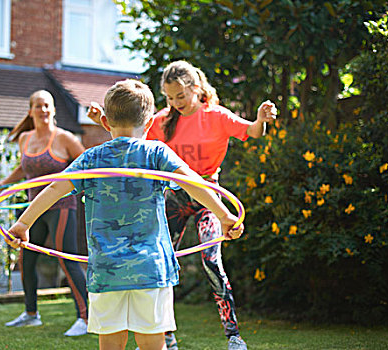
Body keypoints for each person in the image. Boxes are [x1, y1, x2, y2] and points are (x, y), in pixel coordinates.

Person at [5, 79, 244, 350]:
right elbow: (194, 183)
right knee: (152, 342)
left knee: (111, 343)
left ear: (105, 122)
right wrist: (224, 215)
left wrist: (24, 222)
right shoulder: (156, 153)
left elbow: (54, 188)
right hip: (149, 268)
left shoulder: (91, 159)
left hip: (107, 270)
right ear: (150, 123)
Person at [88, 61, 277, 350]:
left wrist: (261, 119)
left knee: (212, 261)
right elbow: (128, 137)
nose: (175, 104)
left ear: (197, 89)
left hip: (205, 197)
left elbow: (252, 131)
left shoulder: (216, 116)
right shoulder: (163, 120)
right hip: (175, 198)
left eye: (180, 97)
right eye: (169, 98)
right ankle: (164, 336)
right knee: (158, 263)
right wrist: (106, 118)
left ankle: (233, 335)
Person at [0, 90, 88, 336]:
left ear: (53, 110)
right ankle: (31, 314)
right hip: (34, 208)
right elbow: (24, 170)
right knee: (26, 260)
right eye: (38, 106)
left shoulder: (65, 138)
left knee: (67, 259)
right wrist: (3, 185)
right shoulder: (25, 139)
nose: (43, 110)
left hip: (62, 207)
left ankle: (86, 317)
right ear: (31, 110)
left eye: (47, 106)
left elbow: (86, 164)